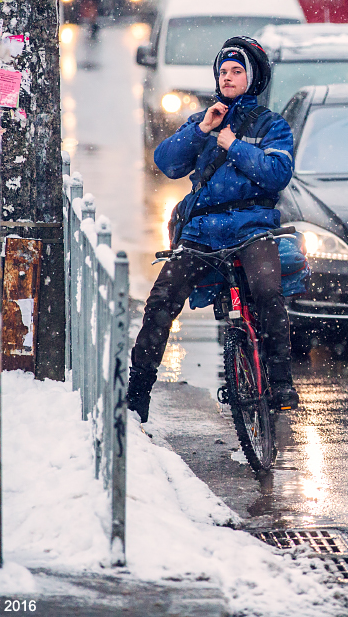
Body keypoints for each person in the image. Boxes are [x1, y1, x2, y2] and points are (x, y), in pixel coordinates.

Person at [127, 36, 298, 422]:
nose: (228, 77)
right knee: (161, 300)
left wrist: (235, 144)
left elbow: (277, 174)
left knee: (268, 292)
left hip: (253, 228)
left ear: (252, 79)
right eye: (223, 71)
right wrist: (202, 129)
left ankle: (282, 382)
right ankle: (137, 395)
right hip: (202, 231)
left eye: (237, 71)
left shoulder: (273, 126)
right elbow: (167, 163)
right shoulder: (204, 120)